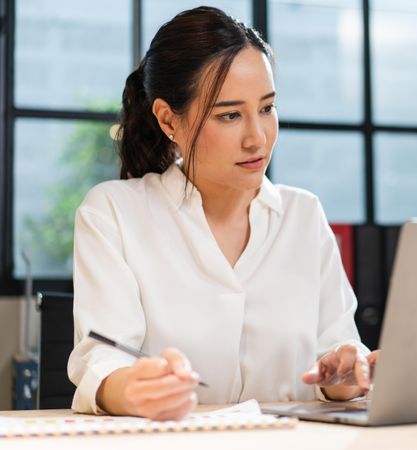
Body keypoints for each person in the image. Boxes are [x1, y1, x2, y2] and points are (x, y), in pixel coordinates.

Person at [67, 6, 378, 421]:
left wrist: (343, 377)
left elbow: (336, 353)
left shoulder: (303, 214)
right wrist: (132, 390)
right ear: (167, 119)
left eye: (267, 109)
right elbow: (100, 361)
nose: (258, 138)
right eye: (229, 115)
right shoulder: (113, 213)